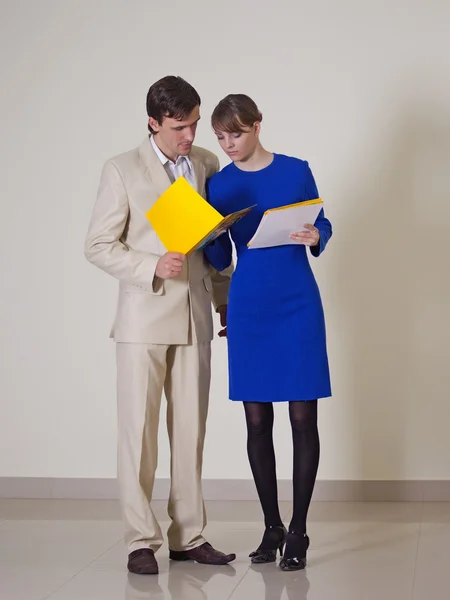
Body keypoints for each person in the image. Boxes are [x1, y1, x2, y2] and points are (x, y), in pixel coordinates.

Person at [84, 76, 235, 575]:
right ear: (154, 122)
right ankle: (139, 540)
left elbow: (214, 246)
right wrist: (150, 265)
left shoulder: (208, 164)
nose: (190, 135)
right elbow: (99, 245)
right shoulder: (122, 169)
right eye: (179, 127)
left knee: (190, 431)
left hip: (194, 316)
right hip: (143, 317)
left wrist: (224, 302)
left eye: (193, 124)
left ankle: (188, 535)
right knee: (139, 434)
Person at [203, 94, 332, 571]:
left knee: (303, 418)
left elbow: (322, 223)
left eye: (235, 133)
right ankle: (271, 525)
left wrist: (319, 236)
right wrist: (211, 239)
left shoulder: (297, 170)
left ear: (257, 125)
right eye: (219, 137)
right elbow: (220, 261)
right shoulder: (219, 184)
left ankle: (298, 530)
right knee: (257, 422)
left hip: (297, 301)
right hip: (249, 304)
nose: (228, 143)